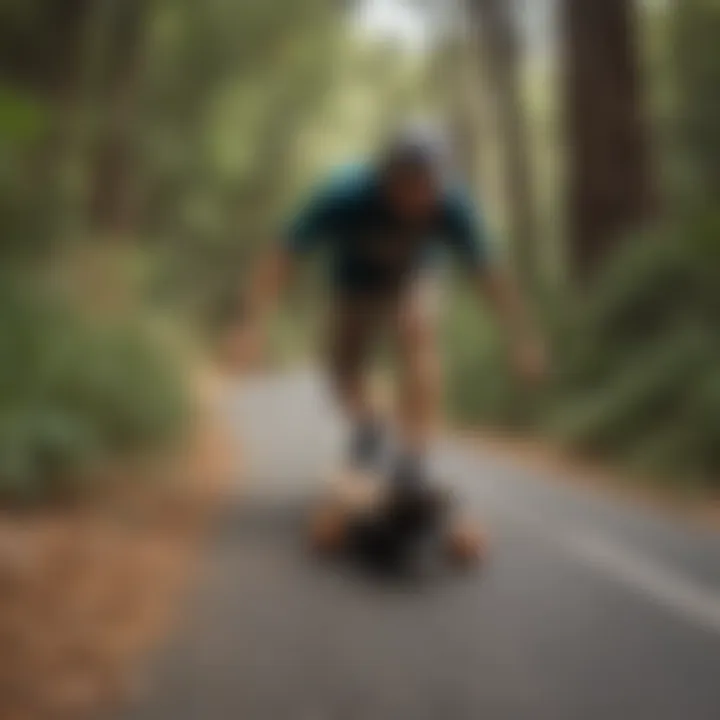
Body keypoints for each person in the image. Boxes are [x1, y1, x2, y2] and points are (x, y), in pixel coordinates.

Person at [242, 123, 546, 553]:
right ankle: (367, 430)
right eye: (407, 187)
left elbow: (491, 276)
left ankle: (413, 456)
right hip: (354, 285)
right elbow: (283, 254)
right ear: (386, 178)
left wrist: (522, 338)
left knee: (417, 326)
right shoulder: (345, 196)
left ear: (441, 181)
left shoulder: (452, 205)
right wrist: (252, 323)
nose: (418, 199)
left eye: (428, 188)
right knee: (342, 368)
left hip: (416, 277)